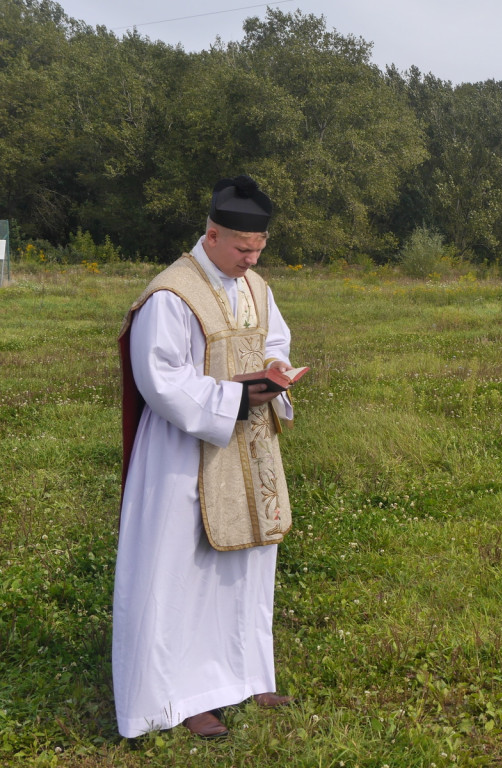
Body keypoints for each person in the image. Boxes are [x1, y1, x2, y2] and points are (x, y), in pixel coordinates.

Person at [113, 176, 297, 739]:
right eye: (243, 249)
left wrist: (275, 377)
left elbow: (275, 342)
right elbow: (160, 380)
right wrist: (233, 398)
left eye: (258, 250)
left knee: (246, 568)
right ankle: (184, 694)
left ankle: (246, 675)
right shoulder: (172, 295)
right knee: (184, 572)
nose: (251, 259)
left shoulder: (257, 288)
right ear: (212, 235)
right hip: (182, 455)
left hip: (248, 448)